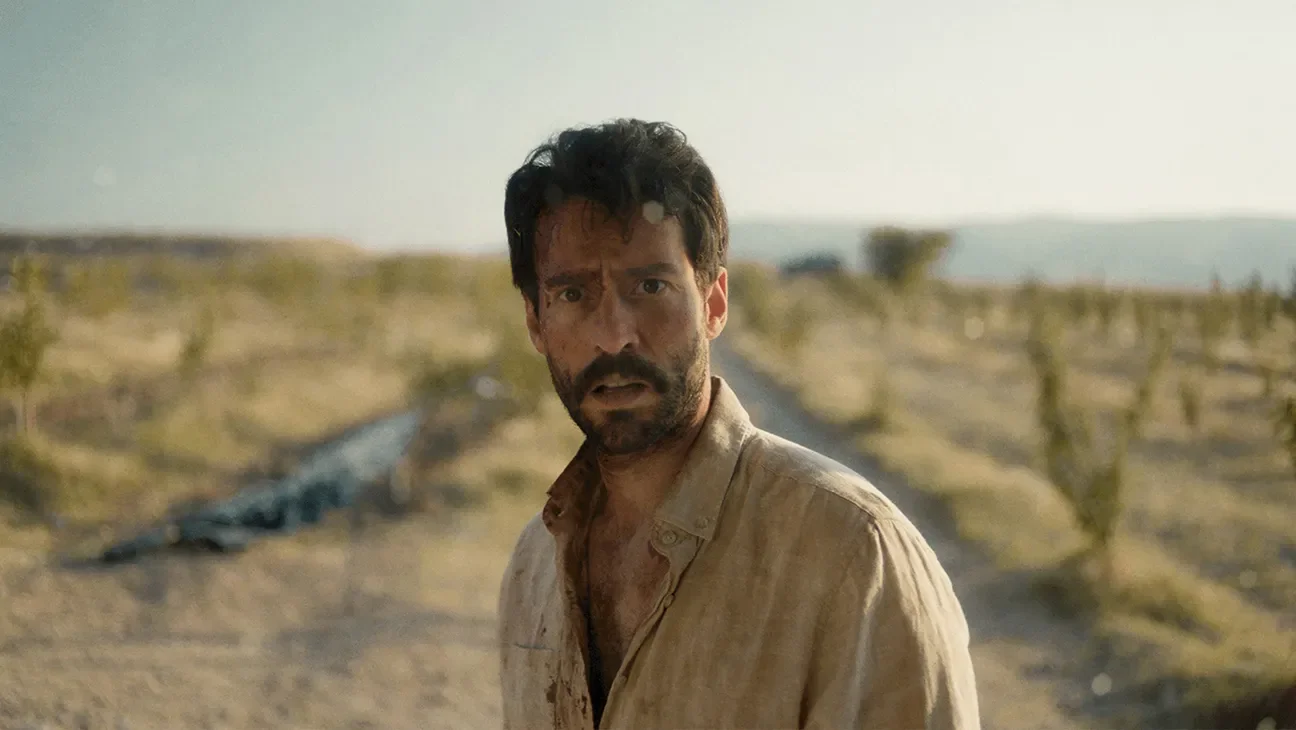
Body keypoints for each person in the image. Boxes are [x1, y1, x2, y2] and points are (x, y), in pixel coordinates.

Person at [497, 118, 980, 730]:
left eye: (650, 285)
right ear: (535, 323)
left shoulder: (855, 556)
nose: (614, 335)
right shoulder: (534, 566)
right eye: (572, 295)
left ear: (714, 302)